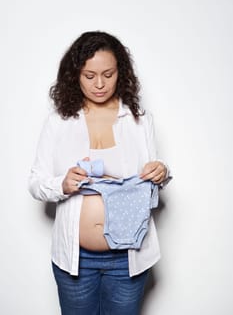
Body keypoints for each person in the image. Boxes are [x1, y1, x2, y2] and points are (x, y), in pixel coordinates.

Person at [28, 31, 170, 315]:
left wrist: (161, 172)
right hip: (75, 259)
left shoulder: (139, 119)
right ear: (75, 75)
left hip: (128, 257)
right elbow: (36, 183)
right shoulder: (59, 121)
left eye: (108, 73)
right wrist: (63, 184)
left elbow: (152, 179)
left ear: (121, 72)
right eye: (89, 76)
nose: (100, 84)